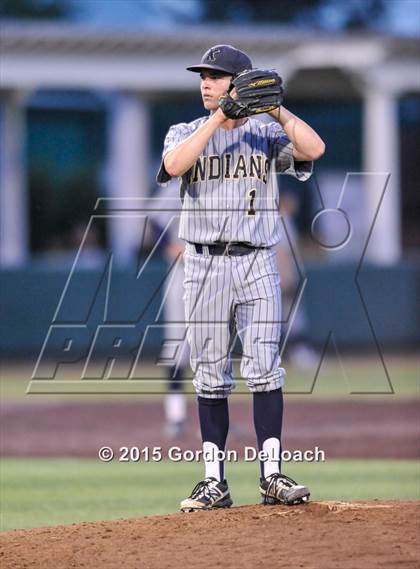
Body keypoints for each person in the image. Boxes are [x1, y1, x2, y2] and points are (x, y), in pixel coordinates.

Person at [157, 44, 325, 511]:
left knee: (264, 367)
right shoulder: (185, 129)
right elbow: (174, 166)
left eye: (215, 76)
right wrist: (217, 119)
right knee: (210, 376)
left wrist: (275, 108)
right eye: (203, 76)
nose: (205, 83)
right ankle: (215, 482)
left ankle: (271, 475)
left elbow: (315, 148)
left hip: (256, 261)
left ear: (239, 82)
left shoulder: (266, 135)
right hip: (204, 263)